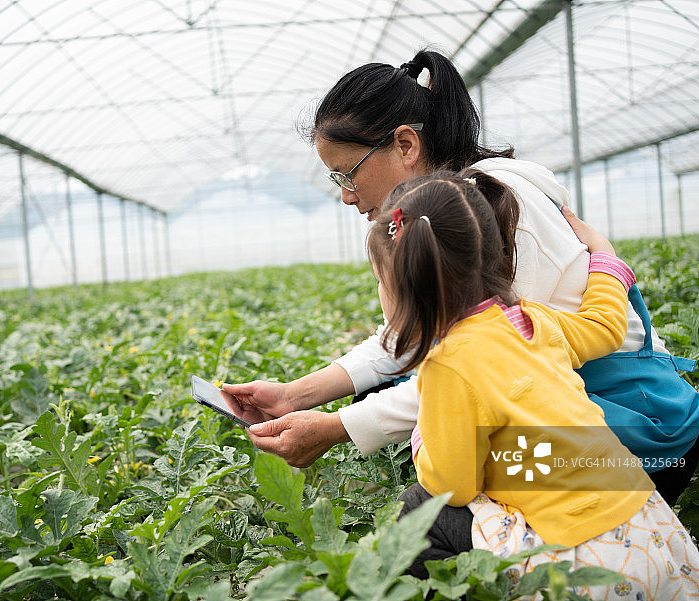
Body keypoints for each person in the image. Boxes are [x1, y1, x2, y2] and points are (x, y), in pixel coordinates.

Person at [222, 48, 699, 504]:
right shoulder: (458, 208)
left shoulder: (498, 206)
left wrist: (337, 427)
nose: (346, 196)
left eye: (347, 174)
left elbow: (489, 375)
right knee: (399, 400)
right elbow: (414, 338)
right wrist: (297, 395)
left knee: (439, 500)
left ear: (406, 145)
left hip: (644, 436)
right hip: (588, 410)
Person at [366, 170, 699, 598]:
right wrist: (606, 260)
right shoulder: (531, 321)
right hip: (655, 536)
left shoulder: (447, 365)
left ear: (405, 284)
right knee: (519, 458)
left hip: (585, 567)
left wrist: (422, 442)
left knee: (416, 513)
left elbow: (453, 485)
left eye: (379, 279)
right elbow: (604, 326)